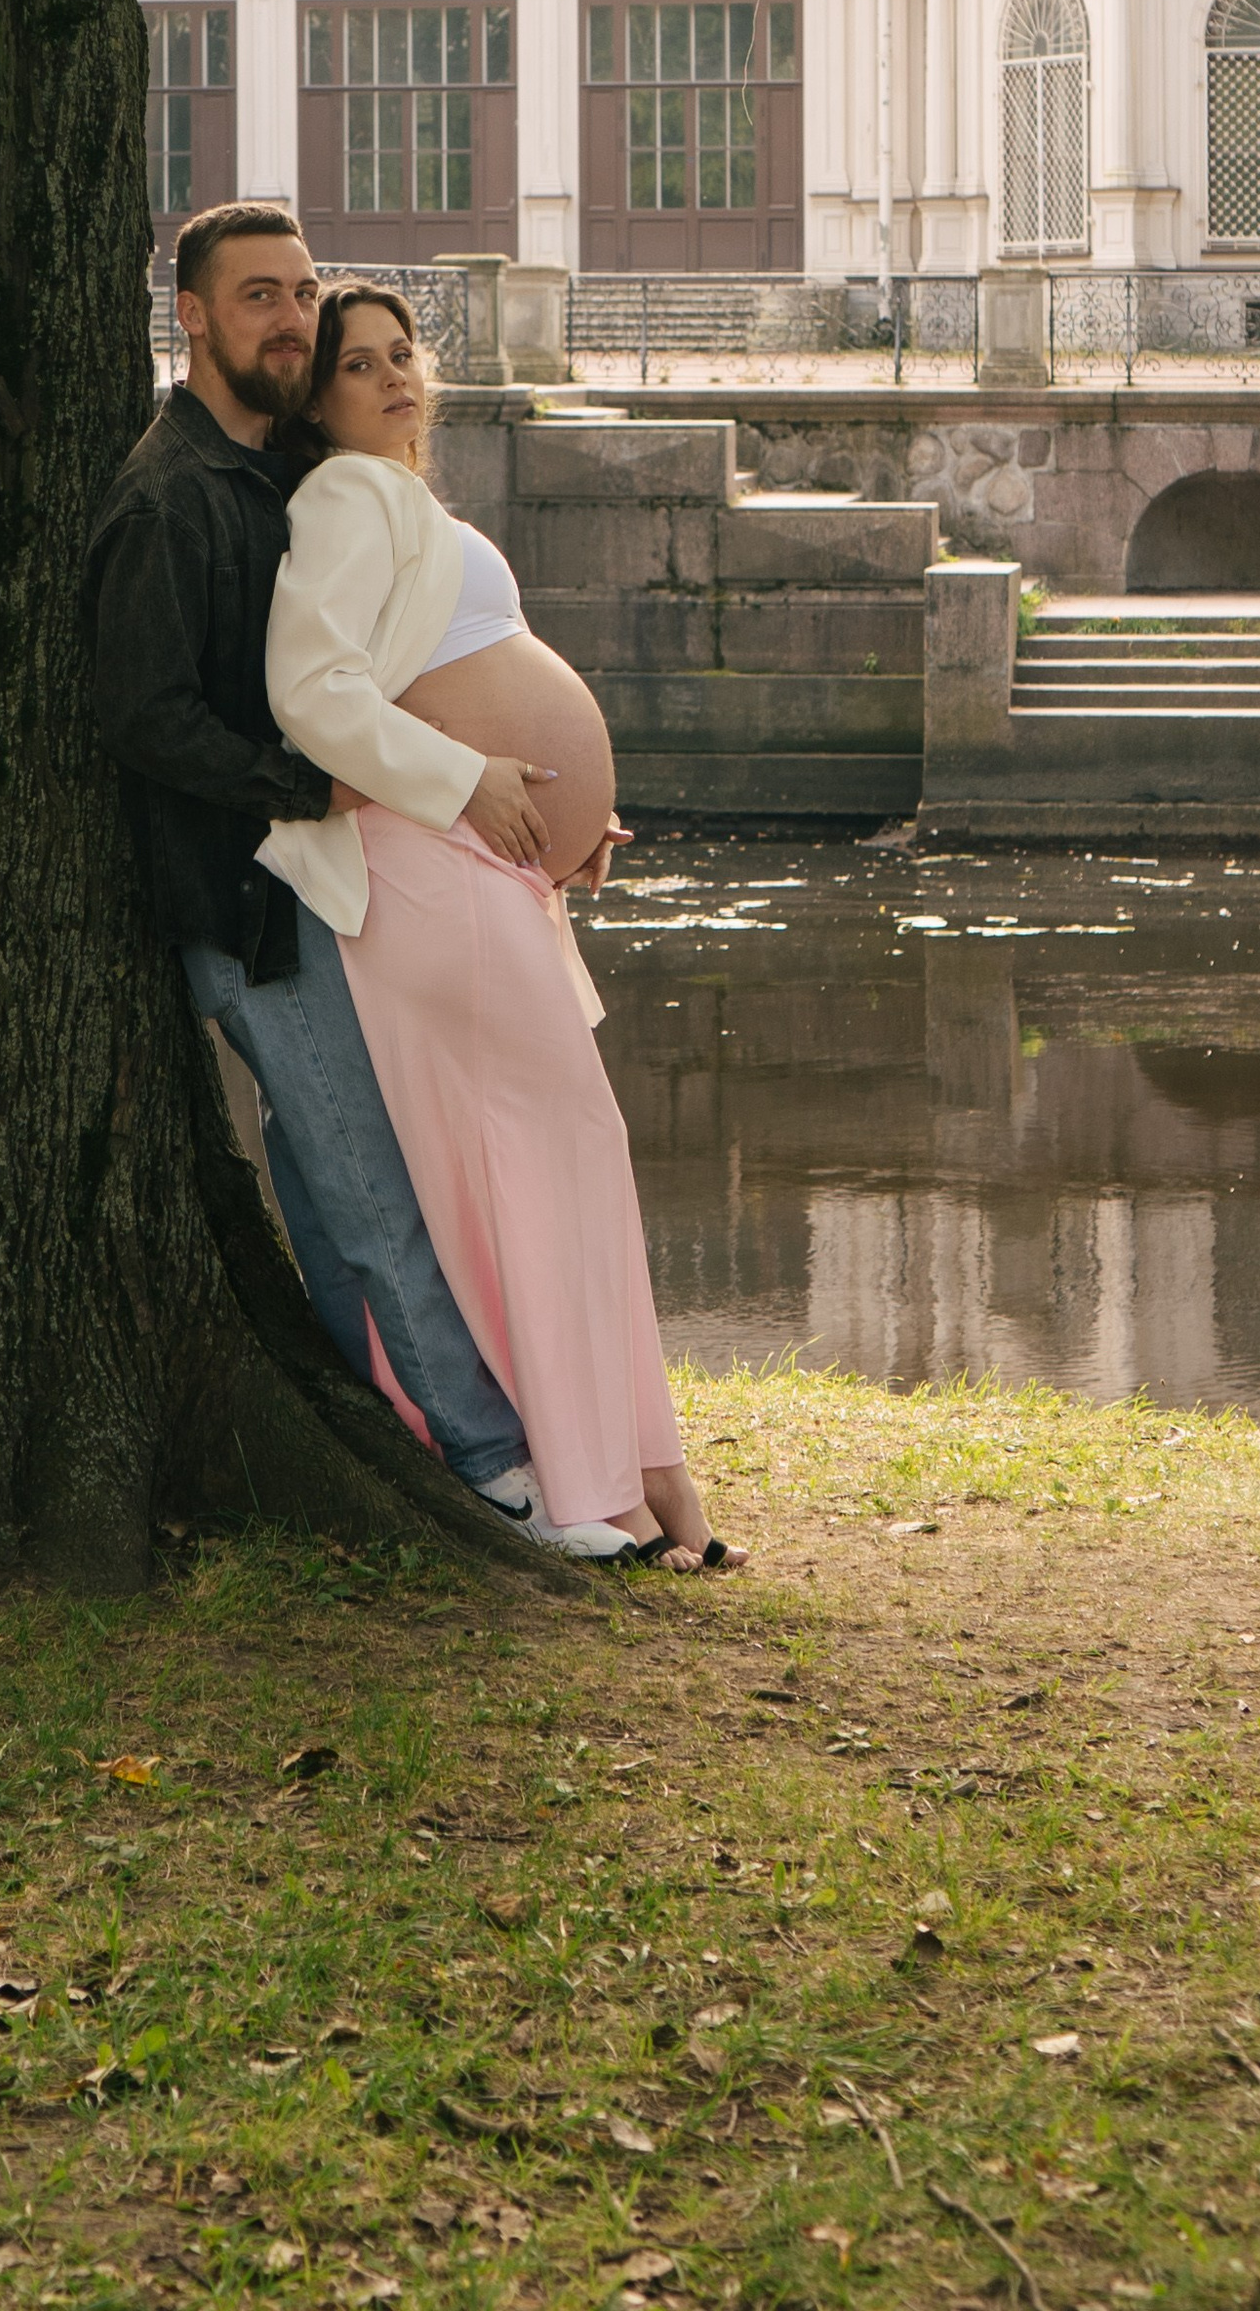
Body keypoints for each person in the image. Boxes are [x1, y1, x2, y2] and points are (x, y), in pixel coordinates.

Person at [86, 202, 615, 1556]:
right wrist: (317, 784)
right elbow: (146, 717)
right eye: (258, 295)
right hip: (246, 903)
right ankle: (499, 1477)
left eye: (304, 290)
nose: (293, 317)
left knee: (331, 1195)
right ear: (190, 316)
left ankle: (380, 1427)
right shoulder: (170, 495)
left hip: (321, 888)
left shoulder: (277, 467)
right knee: (371, 1189)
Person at [261, 282, 745, 1572]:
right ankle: (588, 1481)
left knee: (550, 1151)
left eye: (403, 355)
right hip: (425, 867)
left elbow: (451, 675)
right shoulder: (345, 496)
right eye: (357, 366)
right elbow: (311, 694)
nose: (393, 379)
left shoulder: (408, 505)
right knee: (540, 1153)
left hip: (481, 869)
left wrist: (570, 814)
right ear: (318, 403)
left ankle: (648, 1486)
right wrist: (476, 781)